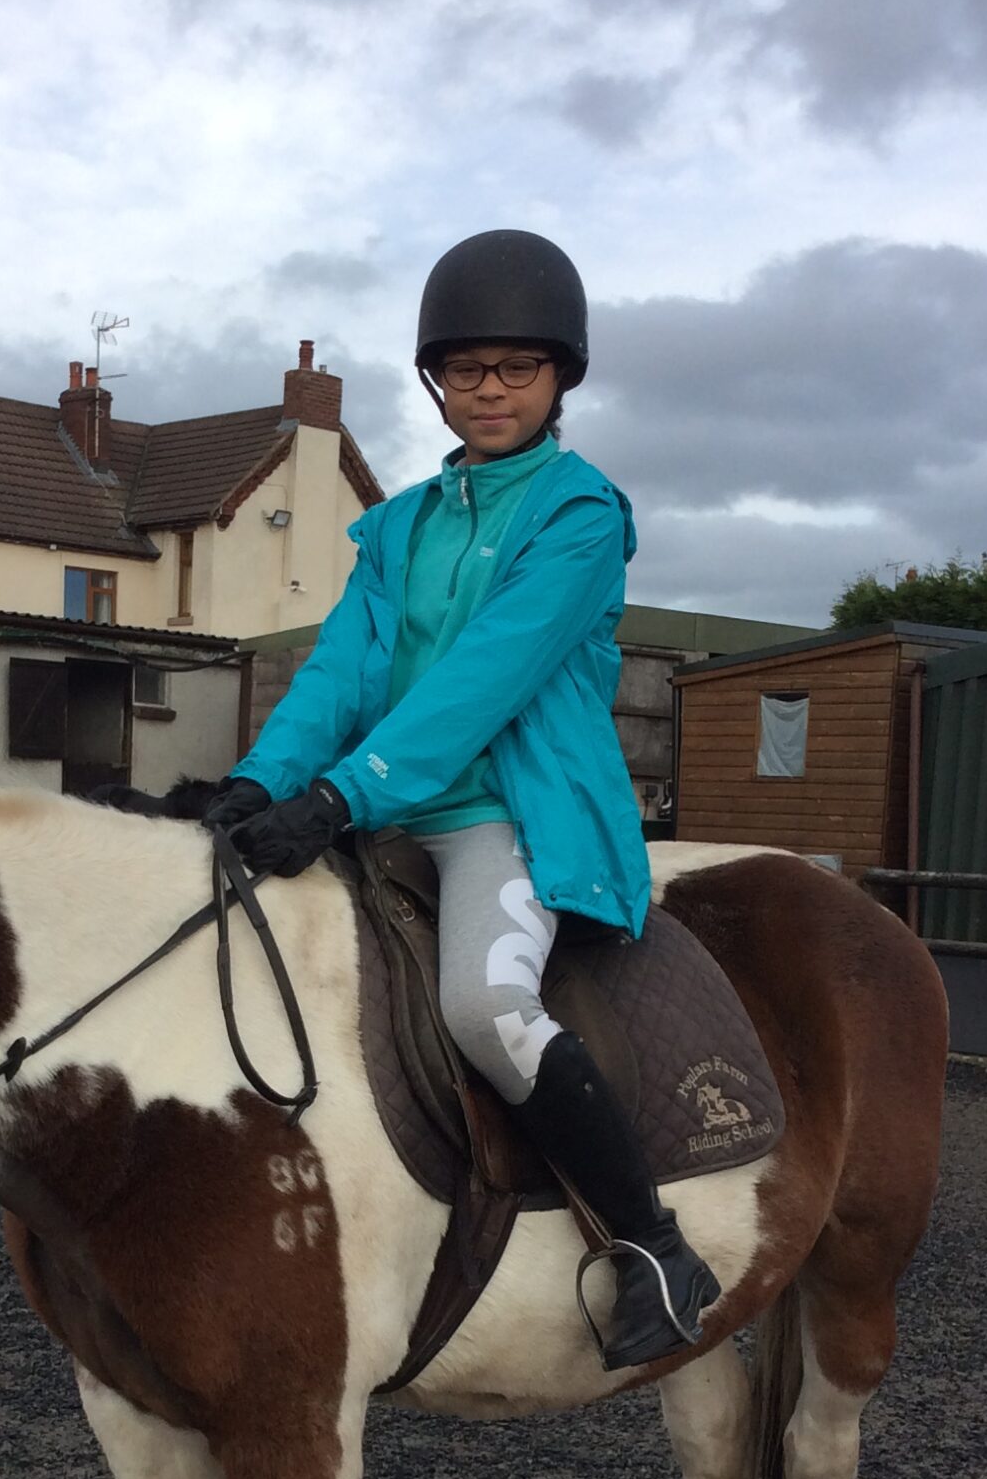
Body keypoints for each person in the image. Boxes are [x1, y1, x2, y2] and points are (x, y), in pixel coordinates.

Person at [203, 228, 719, 1368]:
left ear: (559, 379)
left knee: (484, 1011)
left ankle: (651, 1247)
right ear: (437, 380)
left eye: (516, 369)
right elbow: (342, 665)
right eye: (466, 369)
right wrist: (258, 778)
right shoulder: (395, 526)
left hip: (507, 819)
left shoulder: (581, 517)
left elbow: (486, 678)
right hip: (378, 810)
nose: (489, 390)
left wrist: (337, 798)